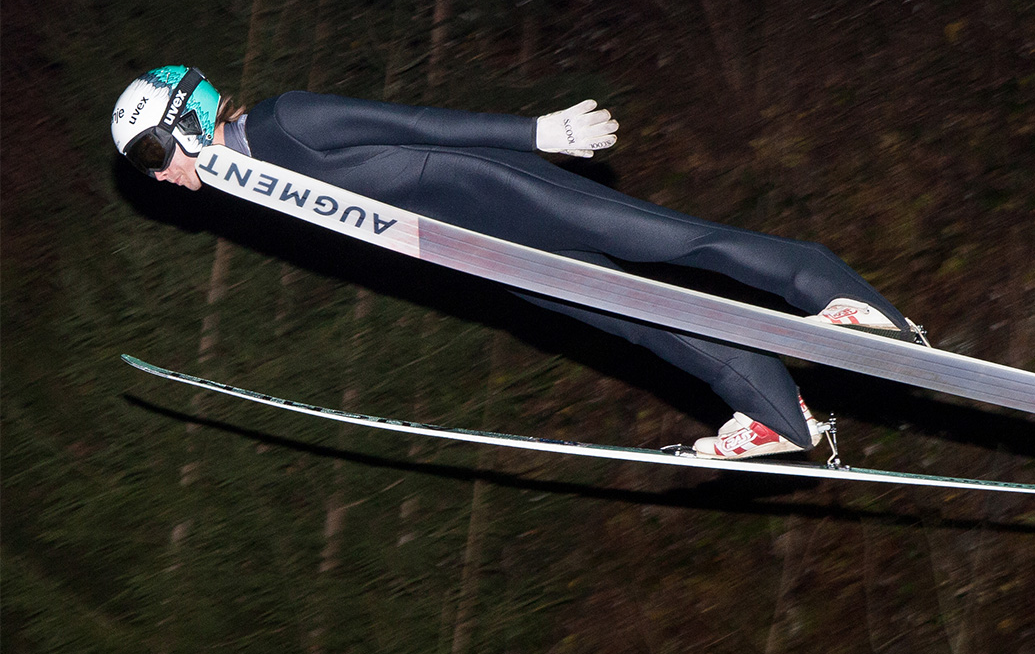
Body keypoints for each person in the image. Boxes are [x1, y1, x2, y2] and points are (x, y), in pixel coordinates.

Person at [112, 66, 922, 459]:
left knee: (672, 242)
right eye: (140, 164)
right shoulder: (262, 190)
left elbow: (419, 125)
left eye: (152, 150)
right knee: (636, 319)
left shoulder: (287, 124)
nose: (156, 174)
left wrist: (537, 134)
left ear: (191, 118)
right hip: (486, 250)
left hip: (502, 191)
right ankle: (778, 414)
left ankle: (841, 297)